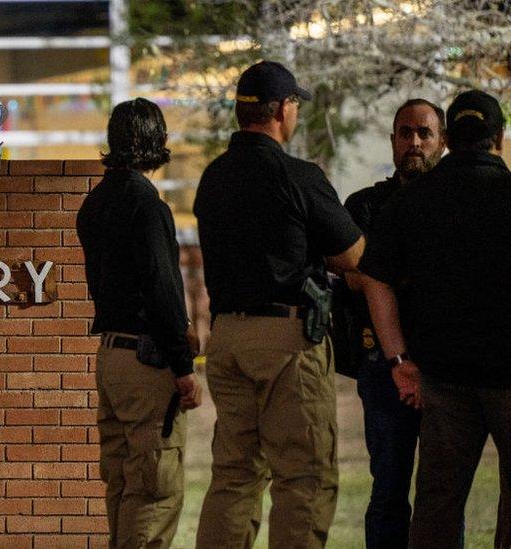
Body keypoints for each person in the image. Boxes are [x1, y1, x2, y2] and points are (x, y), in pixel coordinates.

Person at [193, 61, 364, 549]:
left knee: (234, 475)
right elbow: (353, 254)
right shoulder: (299, 175)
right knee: (304, 477)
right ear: (284, 110)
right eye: (295, 106)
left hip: (226, 337)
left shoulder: (214, 178)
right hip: (285, 341)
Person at [359, 89, 511, 549]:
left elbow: (375, 279)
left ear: (448, 139)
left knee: (437, 504)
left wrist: (398, 358)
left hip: (443, 379)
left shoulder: (412, 201)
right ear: (498, 139)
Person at [77, 97, 202, 548]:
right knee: (153, 491)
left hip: (110, 356)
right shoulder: (147, 206)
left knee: (123, 485)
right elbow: (163, 291)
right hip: (147, 362)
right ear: (159, 142)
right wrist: (184, 368)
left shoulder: (94, 204)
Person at [343, 99, 447, 548]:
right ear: (392, 141)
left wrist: (382, 274)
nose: (415, 143)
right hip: (383, 367)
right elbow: (352, 275)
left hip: (448, 368)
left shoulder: (456, 204)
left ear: (442, 141)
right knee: (388, 489)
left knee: (443, 494)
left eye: (424, 133)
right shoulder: (365, 206)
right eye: (405, 133)